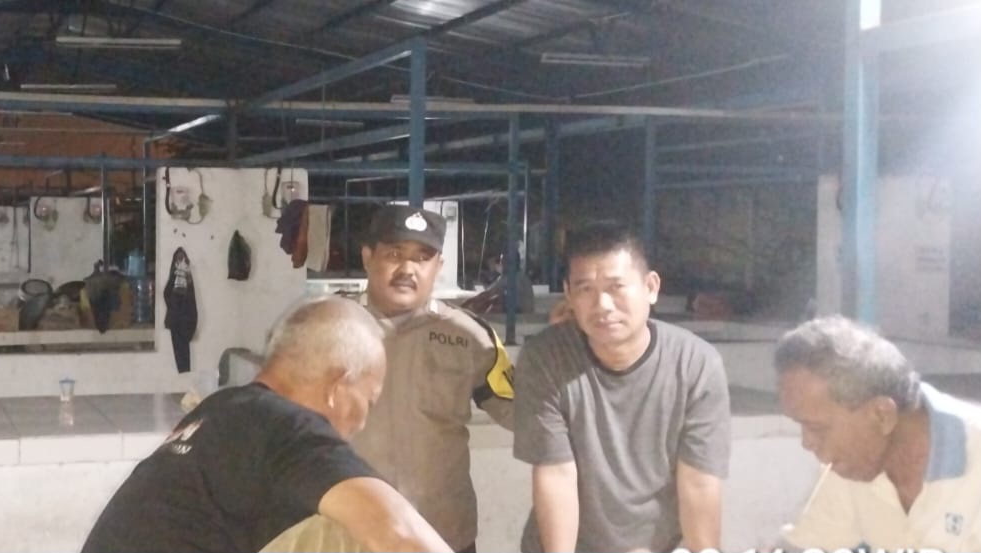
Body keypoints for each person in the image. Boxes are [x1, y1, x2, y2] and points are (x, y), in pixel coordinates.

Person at [81, 297, 453, 553]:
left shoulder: (221, 410)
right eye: (367, 401)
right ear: (338, 386)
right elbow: (401, 534)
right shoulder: (290, 430)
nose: (363, 422)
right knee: (352, 530)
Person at [513, 221, 730, 553]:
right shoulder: (545, 357)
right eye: (585, 289)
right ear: (569, 295)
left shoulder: (696, 364)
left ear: (651, 287)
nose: (602, 304)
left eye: (616, 287)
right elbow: (556, 474)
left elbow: (699, 482)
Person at [350, 205, 515, 553]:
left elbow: (525, 414)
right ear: (368, 257)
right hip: (348, 536)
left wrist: (575, 345)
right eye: (394, 254)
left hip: (442, 534)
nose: (407, 269)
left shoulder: (471, 337)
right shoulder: (327, 326)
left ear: (438, 266)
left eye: (422, 258)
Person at [776, 316, 981, 551]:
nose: (806, 443)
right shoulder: (850, 466)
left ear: (882, 415)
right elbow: (806, 543)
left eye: (817, 428)